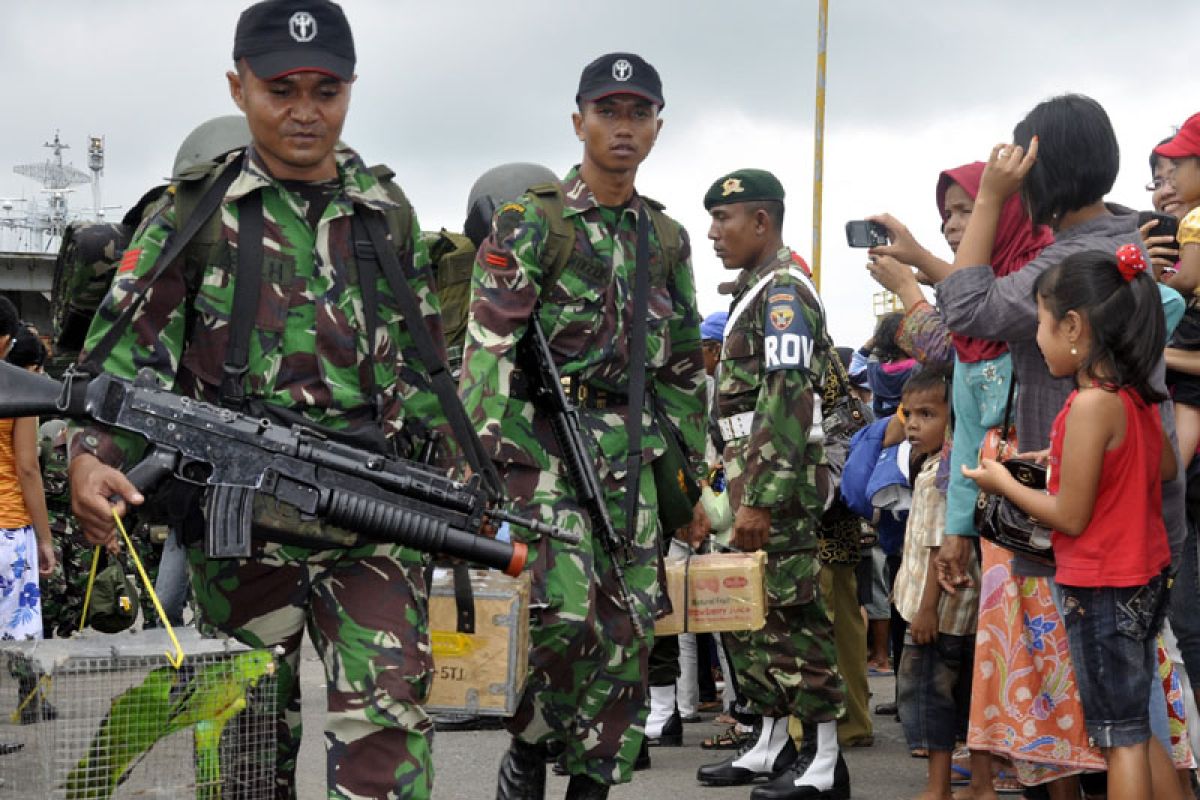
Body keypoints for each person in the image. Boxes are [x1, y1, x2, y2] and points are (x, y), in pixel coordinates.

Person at [66, 2, 451, 797]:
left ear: (350, 89)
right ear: (238, 86)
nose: (306, 112)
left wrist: (454, 476)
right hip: (244, 533)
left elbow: (425, 365)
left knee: (388, 737)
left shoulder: (389, 215)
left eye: (327, 90)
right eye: (282, 89)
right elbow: (120, 360)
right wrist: (88, 461)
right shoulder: (194, 213)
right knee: (245, 753)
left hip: (368, 518)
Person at [459, 52, 708, 798]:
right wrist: (485, 468)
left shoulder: (665, 239)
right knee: (557, 617)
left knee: (627, 633)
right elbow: (487, 351)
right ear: (579, 123)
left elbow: (684, 369)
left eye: (638, 114)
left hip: (631, 458)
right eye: (608, 112)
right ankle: (531, 748)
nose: (623, 128)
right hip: (542, 453)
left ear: (657, 127)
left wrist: (688, 483)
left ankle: (594, 780)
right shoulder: (531, 222)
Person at [965, 245, 1181, 800]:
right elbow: (1162, 466)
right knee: (1135, 720)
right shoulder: (1133, 395)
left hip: (1103, 585)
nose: (1036, 338)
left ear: (1074, 326)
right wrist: (1061, 459)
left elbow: (1070, 515)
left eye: (1039, 323)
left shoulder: (1089, 405)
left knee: (1119, 738)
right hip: (1144, 578)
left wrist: (1003, 482)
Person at [695, 168, 847, 800]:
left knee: (791, 620)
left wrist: (760, 496)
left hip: (773, 488)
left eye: (724, 219)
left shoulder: (784, 293)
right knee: (750, 619)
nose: (713, 233)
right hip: (742, 482)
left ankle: (826, 762)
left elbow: (786, 401)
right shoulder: (753, 292)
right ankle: (770, 744)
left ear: (762, 221)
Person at [890, 362, 980, 800]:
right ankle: (973, 782)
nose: (913, 426)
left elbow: (934, 548)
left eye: (928, 414)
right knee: (963, 698)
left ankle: (937, 787)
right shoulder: (938, 468)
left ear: (954, 415)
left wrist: (924, 609)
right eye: (909, 415)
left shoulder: (943, 477)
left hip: (938, 612)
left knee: (931, 701)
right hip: (958, 613)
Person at [0, 318, 55, 641]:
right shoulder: (20, 390)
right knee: (19, 646)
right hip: (9, 529)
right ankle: (27, 694)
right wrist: (45, 539)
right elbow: (27, 468)